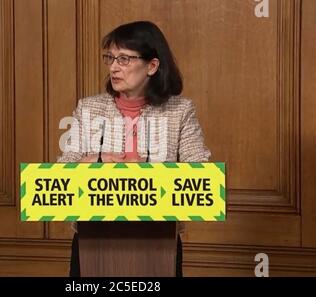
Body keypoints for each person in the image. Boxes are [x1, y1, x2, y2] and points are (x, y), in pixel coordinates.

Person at [57, 21, 211, 277]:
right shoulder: (88, 108)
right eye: (111, 58)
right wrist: (95, 160)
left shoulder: (180, 112)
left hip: (160, 243)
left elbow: (202, 174)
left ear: (152, 65)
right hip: (92, 242)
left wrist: (147, 174)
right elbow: (62, 173)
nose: (114, 67)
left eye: (125, 59)